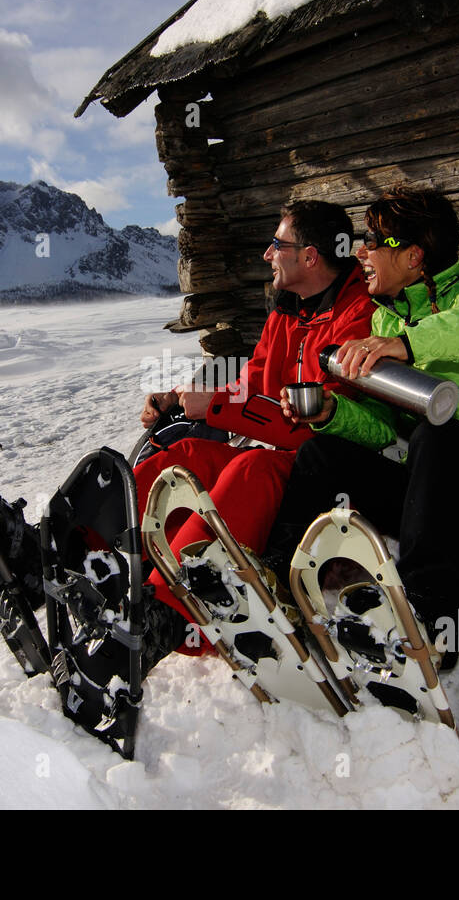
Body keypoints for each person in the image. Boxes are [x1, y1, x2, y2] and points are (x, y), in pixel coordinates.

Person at [261, 185, 459, 658]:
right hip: (440, 499)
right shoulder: (384, 324)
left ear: (414, 256)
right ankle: (276, 585)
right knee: (321, 453)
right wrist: (332, 413)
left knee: (438, 437)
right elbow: (381, 428)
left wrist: (411, 342)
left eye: (374, 240)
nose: (361, 251)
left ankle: (428, 621)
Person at [134, 200, 376, 656]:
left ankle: (169, 616)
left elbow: (317, 425)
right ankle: (92, 551)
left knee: (250, 469)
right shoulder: (291, 309)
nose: (267, 255)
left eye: (276, 245)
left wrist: (217, 406)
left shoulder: (358, 316)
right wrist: (184, 398)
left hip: (329, 467)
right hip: (281, 450)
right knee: (188, 455)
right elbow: (254, 384)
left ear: (309, 256)